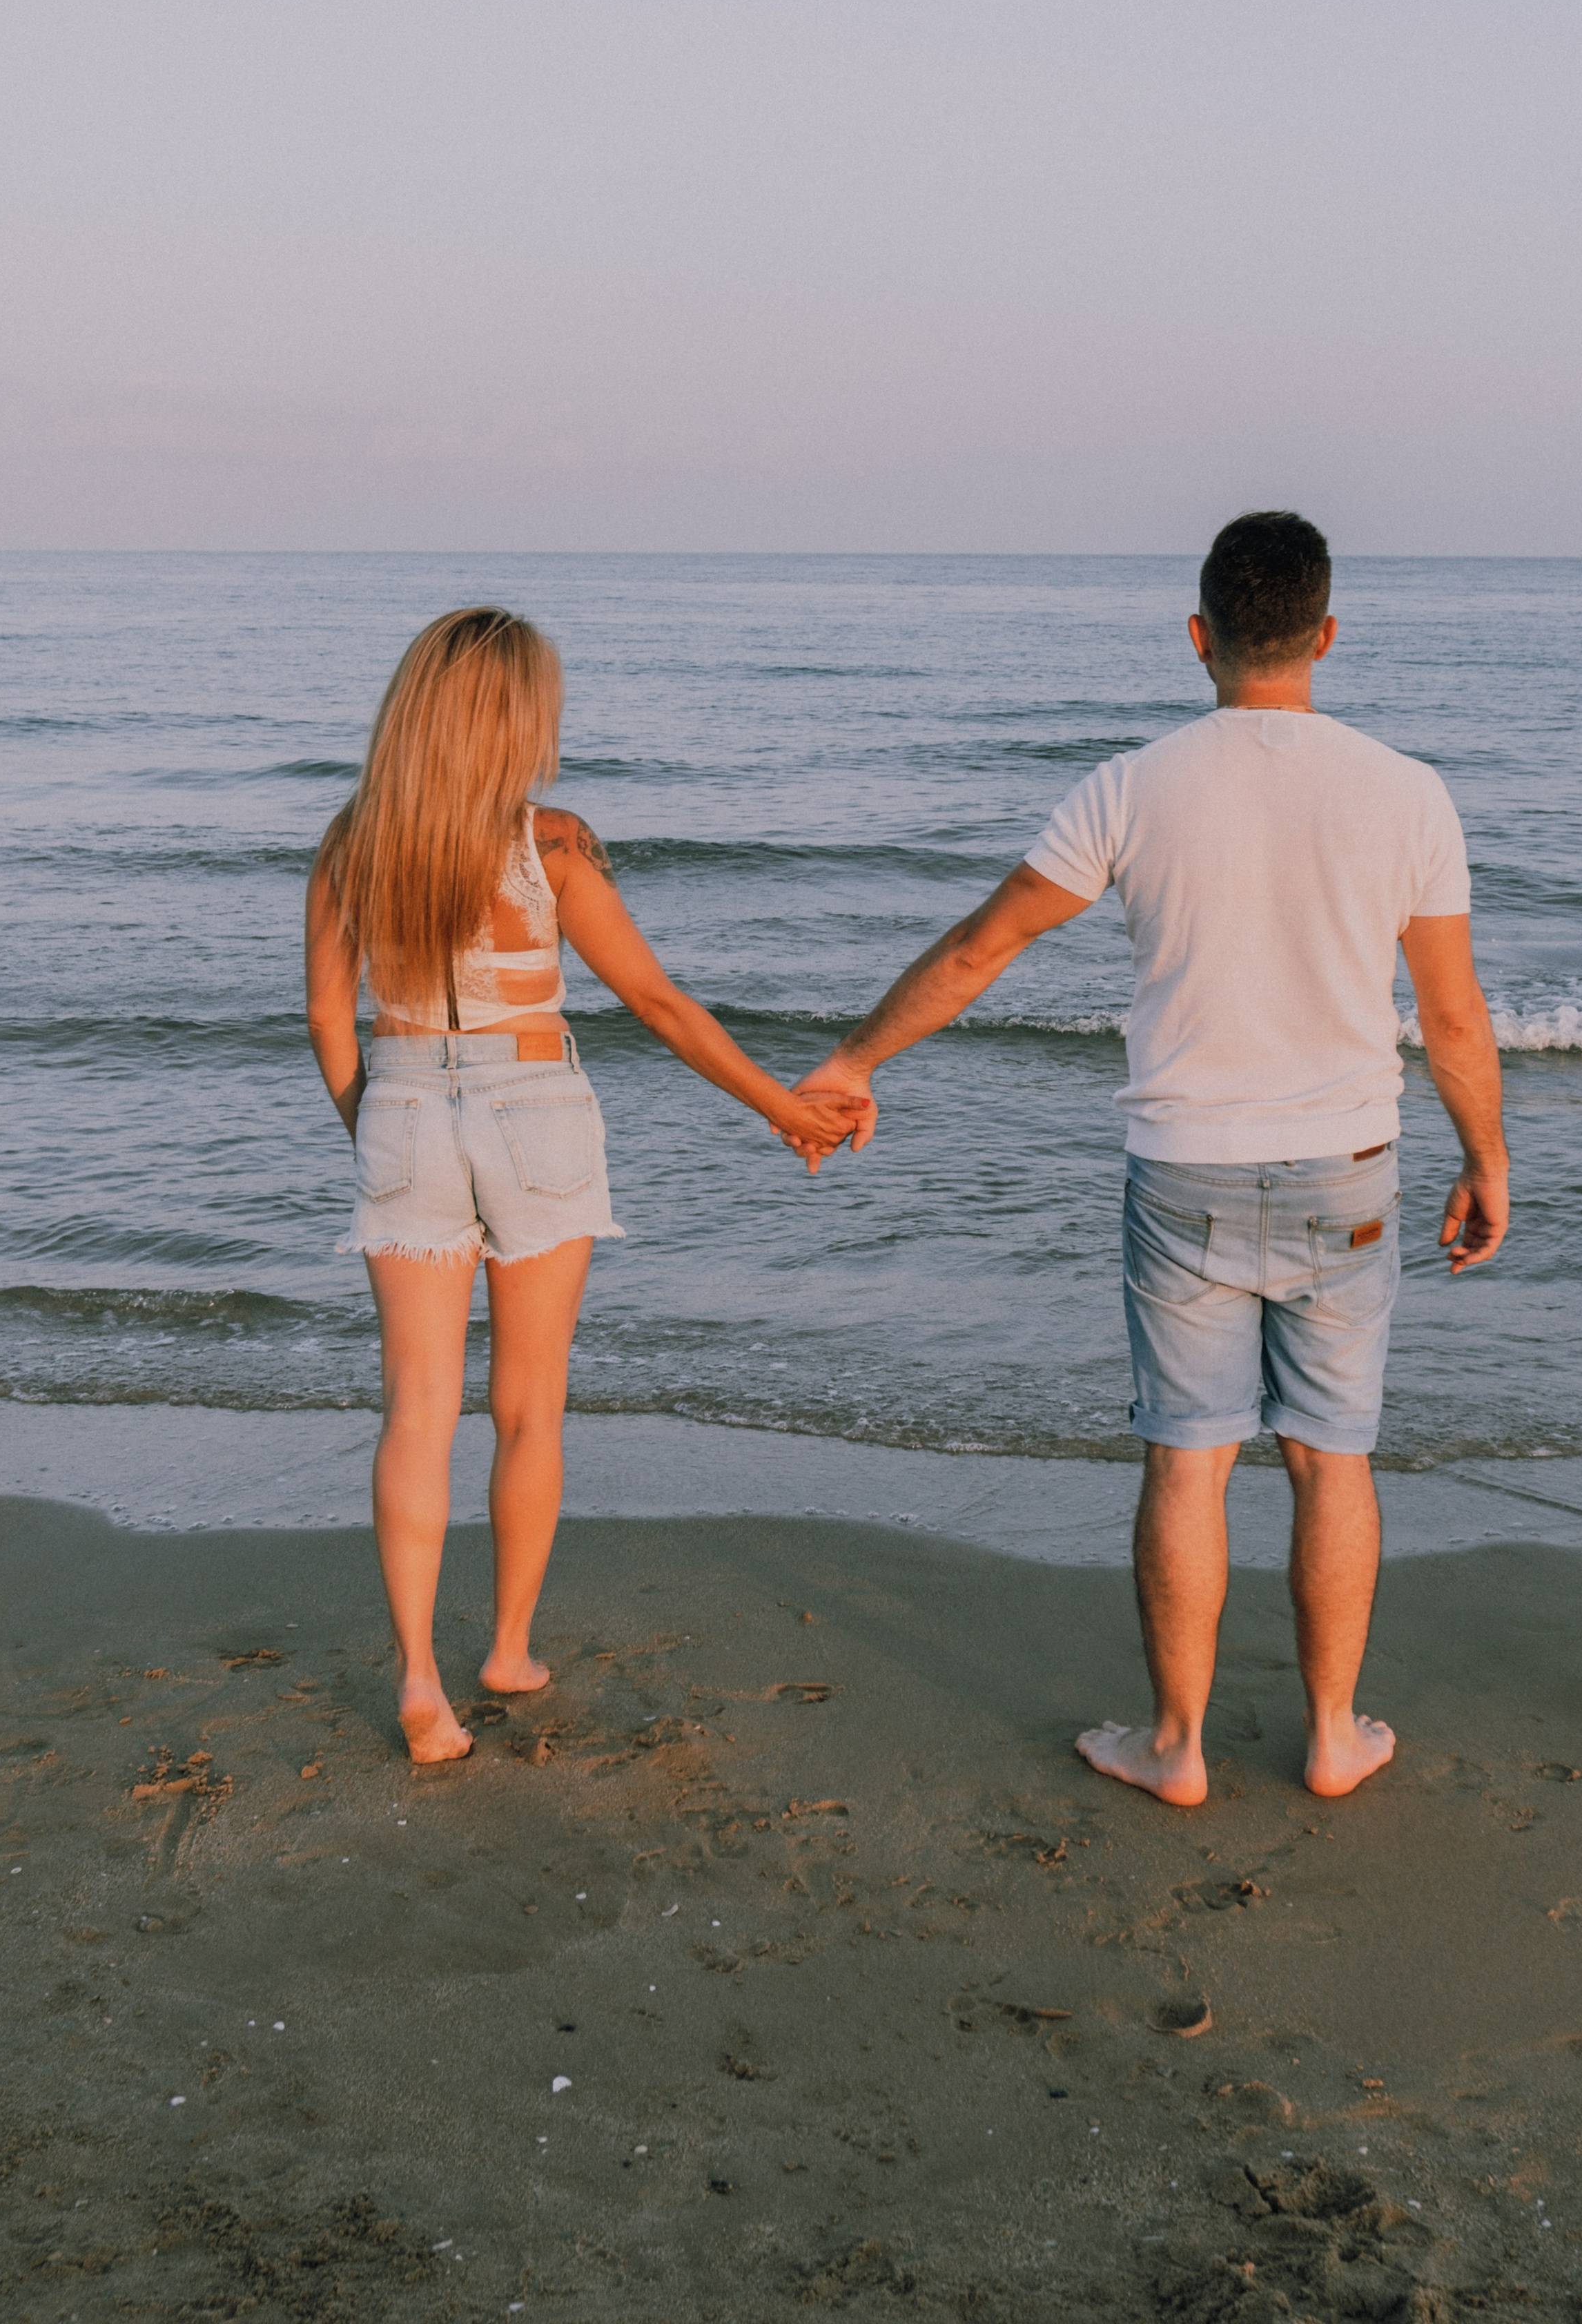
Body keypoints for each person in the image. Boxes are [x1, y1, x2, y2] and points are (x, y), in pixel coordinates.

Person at [790, 514, 1507, 1804]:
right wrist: (1487, 1158)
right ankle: (1334, 1737)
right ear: (1327, 636)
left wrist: (853, 1061)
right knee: (1330, 1459)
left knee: (1189, 1455)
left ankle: (1176, 1748)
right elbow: (1451, 1016)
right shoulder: (1407, 792)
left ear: (1201, 639)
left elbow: (980, 948)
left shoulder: (1131, 784)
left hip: (1186, 1175)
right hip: (1348, 1169)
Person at [306, 607, 861, 1764]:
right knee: (528, 1406)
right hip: (534, 1113)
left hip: (403, 1101)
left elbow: (327, 1020)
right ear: (514, 719)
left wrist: (383, 1125)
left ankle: (418, 1682)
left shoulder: (352, 843)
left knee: (415, 1410)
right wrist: (782, 1108)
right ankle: (507, 1649)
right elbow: (659, 1006)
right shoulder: (553, 846)